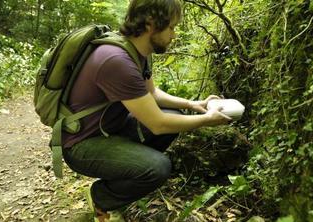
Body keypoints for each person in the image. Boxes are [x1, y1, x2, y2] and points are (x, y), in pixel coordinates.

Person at [61, 0, 231, 221]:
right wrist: (207, 119)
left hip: (109, 129)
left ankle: (127, 175)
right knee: (158, 167)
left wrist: (192, 105)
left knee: (175, 117)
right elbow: (157, 124)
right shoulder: (117, 60)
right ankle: (102, 197)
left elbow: (152, 94)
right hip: (81, 144)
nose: (174, 35)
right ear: (151, 23)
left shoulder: (138, 51)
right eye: (171, 27)